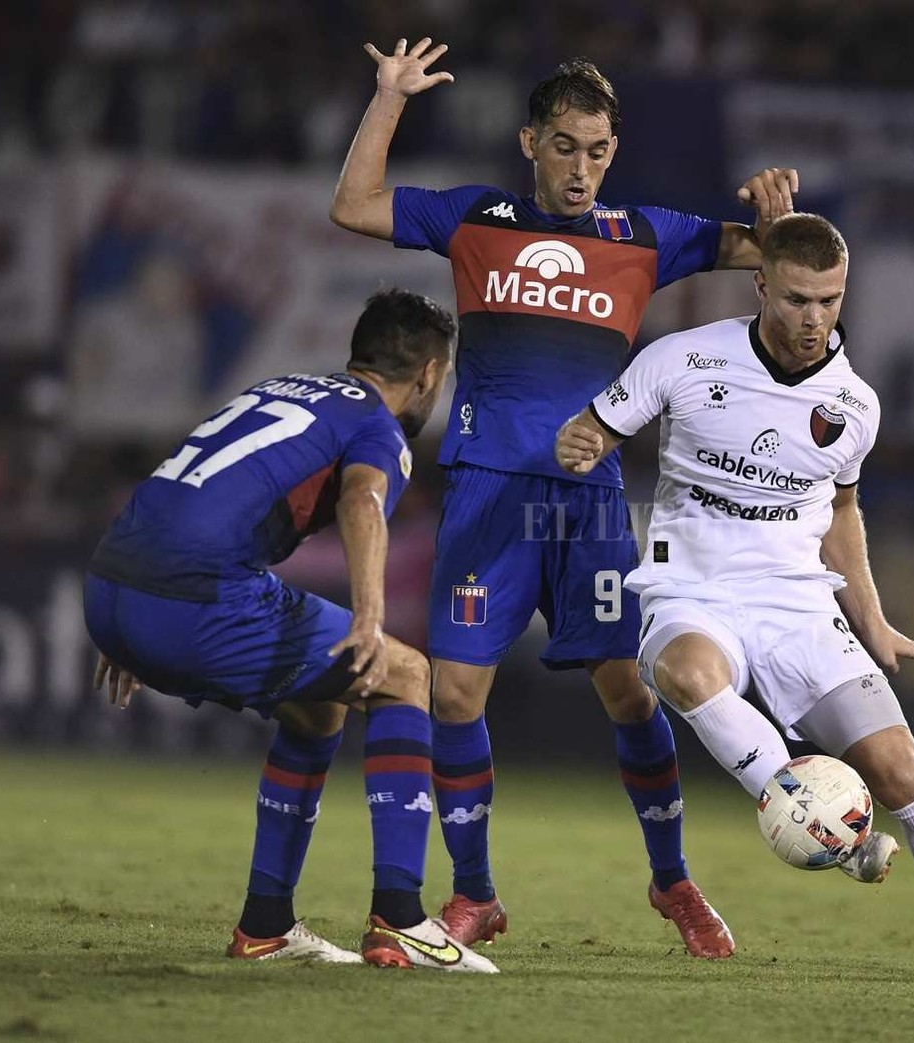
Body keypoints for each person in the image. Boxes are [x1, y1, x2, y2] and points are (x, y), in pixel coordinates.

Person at [329, 35, 799, 957]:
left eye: (597, 151)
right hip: (487, 495)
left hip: (587, 503)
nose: (581, 168)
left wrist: (780, 218)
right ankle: (474, 894)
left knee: (629, 692)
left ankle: (671, 880)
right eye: (564, 147)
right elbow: (351, 204)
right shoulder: (476, 218)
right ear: (529, 143)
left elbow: (770, 259)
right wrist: (389, 97)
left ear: (612, 153)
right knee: (455, 696)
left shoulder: (644, 235)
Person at [554, 213, 914, 989]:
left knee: (902, 772)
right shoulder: (683, 357)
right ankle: (829, 824)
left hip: (797, 606)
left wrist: (874, 621)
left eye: (829, 301)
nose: (813, 318)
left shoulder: (853, 404)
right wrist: (581, 443)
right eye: (797, 298)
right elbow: (591, 429)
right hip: (689, 591)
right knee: (688, 674)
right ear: (760, 286)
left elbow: (840, 513)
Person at [84, 289, 497, 972]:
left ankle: (266, 926)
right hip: (192, 599)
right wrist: (370, 617)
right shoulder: (376, 427)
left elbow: (183, 484)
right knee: (403, 673)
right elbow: (363, 499)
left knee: (319, 701)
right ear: (429, 373)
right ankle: (400, 919)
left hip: (110, 587)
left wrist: (128, 614)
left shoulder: (276, 389)